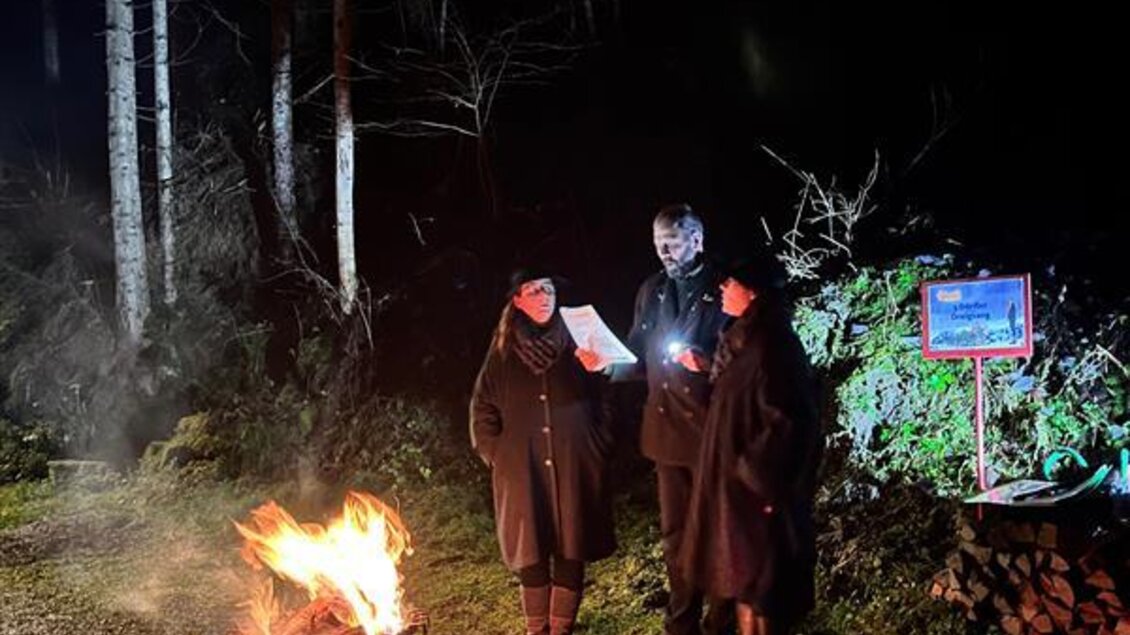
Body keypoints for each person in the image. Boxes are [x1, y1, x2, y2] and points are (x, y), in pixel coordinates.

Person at [577, 203, 731, 635]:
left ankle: (720, 620)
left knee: (717, 529)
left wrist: (708, 364)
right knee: (675, 533)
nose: (665, 251)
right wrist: (606, 364)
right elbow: (638, 355)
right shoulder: (652, 290)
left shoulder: (723, 287)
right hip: (666, 432)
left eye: (673, 242)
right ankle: (681, 620)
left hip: (712, 432)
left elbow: (745, 356)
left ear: (697, 240)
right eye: (658, 243)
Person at [680, 253, 822, 635]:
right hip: (737, 499)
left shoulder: (773, 344)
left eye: (731, 283)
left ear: (753, 291)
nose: (722, 288)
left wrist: (755, 476)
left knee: (763, 595)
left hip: (757, 503)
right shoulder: (743, 340)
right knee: (746, 591)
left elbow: (791, 419)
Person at [470, 269, 616, 635]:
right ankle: (537, 629)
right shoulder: (503, 351)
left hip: (574, 462)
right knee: (531, 551)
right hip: (522, 469)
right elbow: (482, 407)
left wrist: (598, 440)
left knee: (571, 545)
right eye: (533, 291)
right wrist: (496, 454)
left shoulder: (578, 339)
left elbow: (607, 391)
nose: (543, 296)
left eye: (548, 289)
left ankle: (561, 629)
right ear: (517, 301)